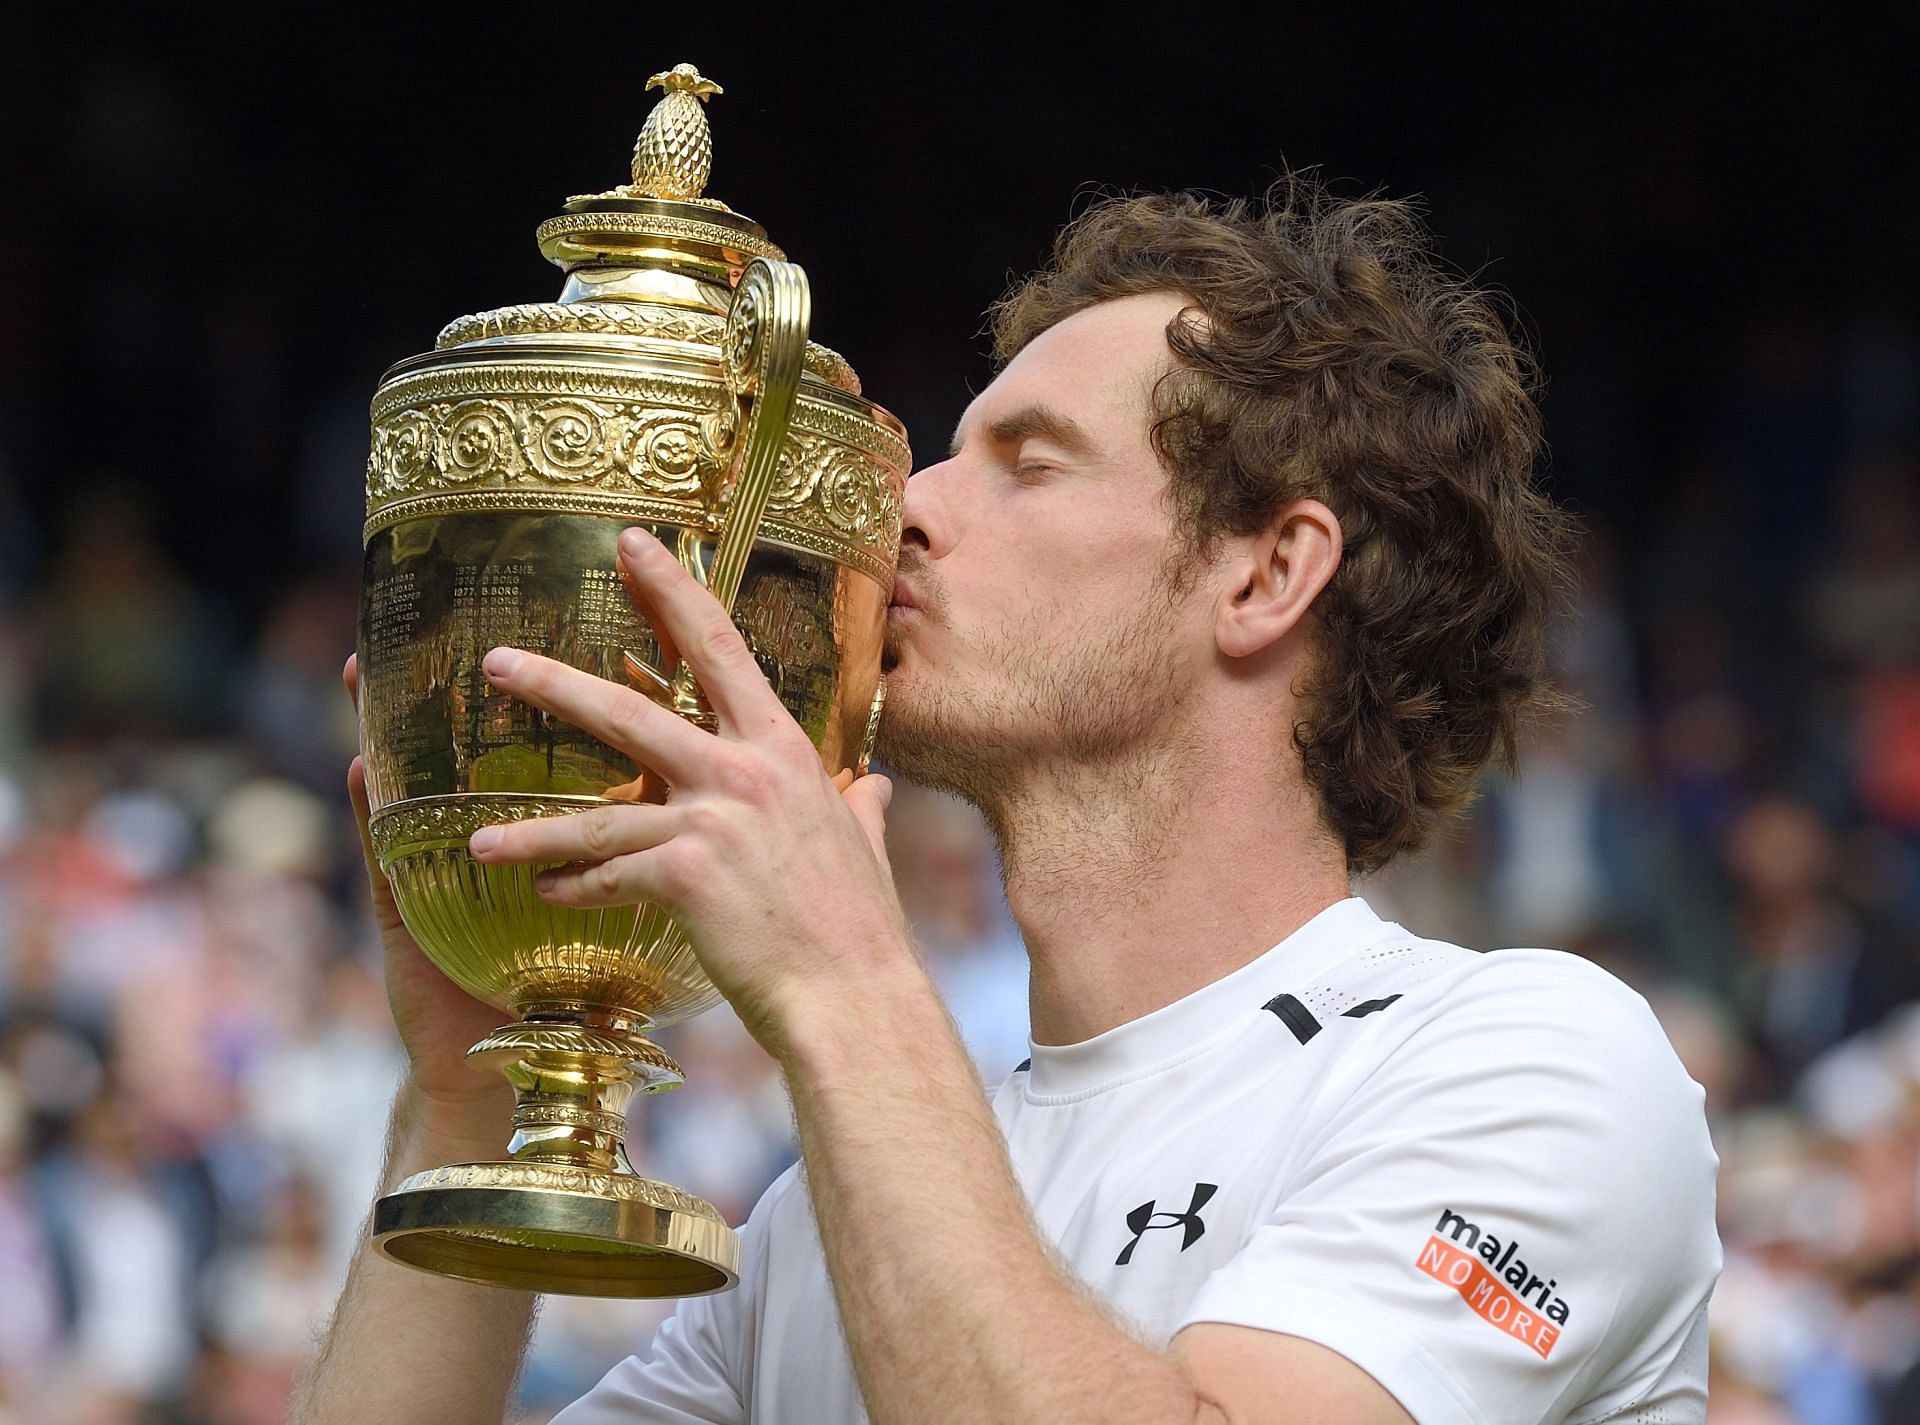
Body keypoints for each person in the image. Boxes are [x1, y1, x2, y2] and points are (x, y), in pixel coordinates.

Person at [294, 185, 1721, 1425]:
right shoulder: (825, 1223)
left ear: (1268, 574)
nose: (905, 506)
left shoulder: (1528, 1063)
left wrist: (848, 982)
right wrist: (466, 1095)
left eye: (1027, 463)